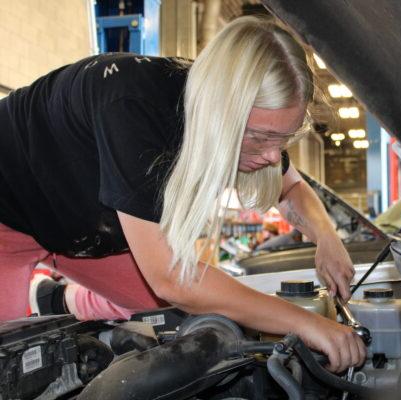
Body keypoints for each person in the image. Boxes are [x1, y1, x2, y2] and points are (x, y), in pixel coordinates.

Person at [0, 16, 365, 372]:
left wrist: (327, 238)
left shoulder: (249, 123)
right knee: (10, 362)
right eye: (261, 138)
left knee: (173, 314)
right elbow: (171, 279)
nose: (273, 155)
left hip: (81, 227)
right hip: (9, 214)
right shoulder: (133, 105)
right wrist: (303, 322)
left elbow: (293, 188)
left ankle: (56, 299)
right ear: (222, 112)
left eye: (282, 139)